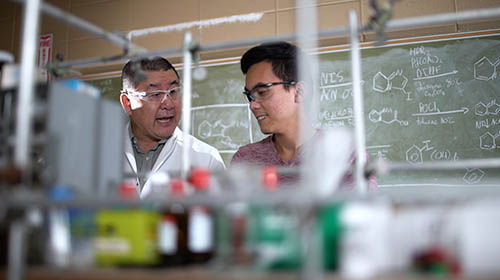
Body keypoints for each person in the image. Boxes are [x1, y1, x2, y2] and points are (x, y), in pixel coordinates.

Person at [231, 41, 376, 189]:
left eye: (262, 92)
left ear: (299, 92)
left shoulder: (345, 154)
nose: (252, 105)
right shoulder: (245, 160)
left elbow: (364, 210)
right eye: (250, 96)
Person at [120, 56, 225, 198]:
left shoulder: (207, 159)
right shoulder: (99, 153)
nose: (168, 104)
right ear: (127, 103)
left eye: (173, 91)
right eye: (155, 94)